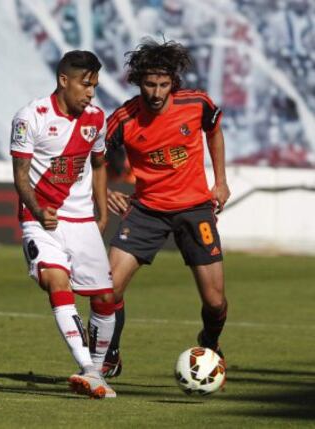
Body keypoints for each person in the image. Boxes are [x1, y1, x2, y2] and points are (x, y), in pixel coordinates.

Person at [102, 39, 230, 378]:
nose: (156, 92)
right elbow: (92, 155)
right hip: (146, 210)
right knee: (108, 288)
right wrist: (105, 189)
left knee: (215, 302)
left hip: (195, 209)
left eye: (163, 84)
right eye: (149, 84)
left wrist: (220, 181)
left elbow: (214, 131)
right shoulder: (124, 118)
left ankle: (210, 343)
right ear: (138, 81)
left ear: (173, 82)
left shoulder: (196, 103)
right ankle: (109, 355)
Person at [11, 50, 116, 399]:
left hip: (82, 219)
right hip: (41, 220)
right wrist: (38, 211)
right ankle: (87, 367)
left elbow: (99, 164)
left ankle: (97, 372)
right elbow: (21, 176)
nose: (90, 93)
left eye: (95, 86)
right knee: (56, 281)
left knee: (105, 297)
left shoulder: (96, 118)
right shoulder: (31, 117)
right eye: (85, 85)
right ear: (63, 80)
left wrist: (102, 213)